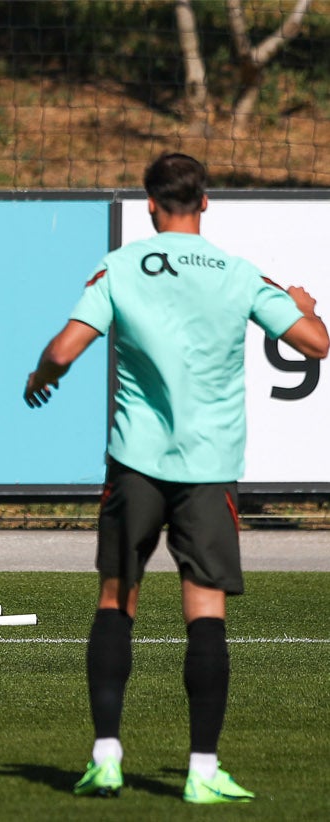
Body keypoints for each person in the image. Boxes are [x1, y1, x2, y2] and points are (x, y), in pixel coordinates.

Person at [24, 153, 328, 804]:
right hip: (209, 467)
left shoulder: (123, 266)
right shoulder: (241, 274)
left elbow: (63, 350)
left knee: (116, 599)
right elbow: (315, 343)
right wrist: (300, 303)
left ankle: (106, 757)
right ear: (206, 202)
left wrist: (40, 379)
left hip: (135, 462)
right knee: (205, 608)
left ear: (149, 204)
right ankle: (202, 769)